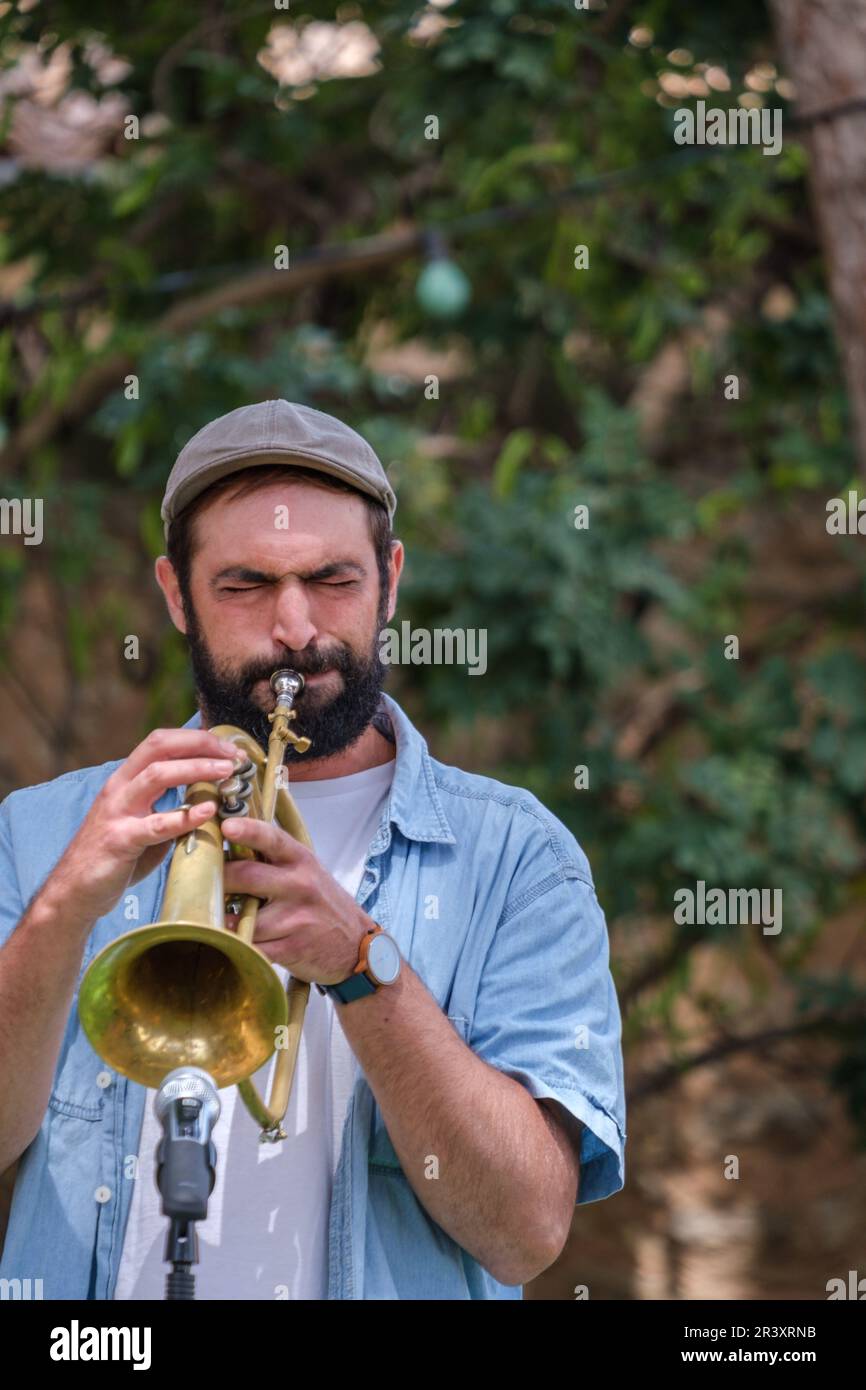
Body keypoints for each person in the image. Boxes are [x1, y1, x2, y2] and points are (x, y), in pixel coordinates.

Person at [0, 399, 626, 1300]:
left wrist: (364, 966)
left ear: (392, 582)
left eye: (333, 581)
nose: (295, 628)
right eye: (245, 585)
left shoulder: (519, 859)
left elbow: (526, 1235)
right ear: (176, 594)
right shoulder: (41, 830)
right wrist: (62, 912)